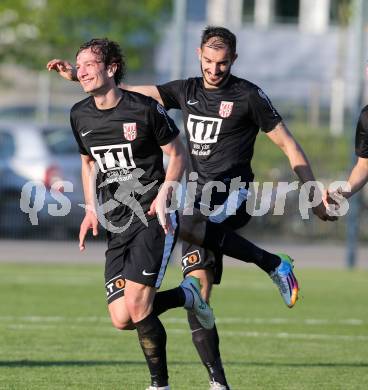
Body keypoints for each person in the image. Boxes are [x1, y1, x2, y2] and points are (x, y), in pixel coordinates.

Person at [47, 27, 336, 390]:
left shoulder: (248, 96)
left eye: (223, 63)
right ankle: (218, 381)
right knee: (196, 288)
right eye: (209, 62)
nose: (215, 70)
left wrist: (313, 193)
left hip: (231, 192)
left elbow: (290, 146)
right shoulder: (185, 90)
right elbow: (124, 92)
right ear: (199, 55)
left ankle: (275, 264)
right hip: (194, 194)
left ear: (234, 60)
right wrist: (80, 75)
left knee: (184, 220)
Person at [61, 38, 216, 390]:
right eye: (79, 64)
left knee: (137, 303)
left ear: (111, 69)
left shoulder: (144, 109)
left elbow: (178, 154)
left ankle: (159, 384)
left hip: (152, 217)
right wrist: (89, 209)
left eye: (89, 64)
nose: (81, 71)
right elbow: (88, 164)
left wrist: (165, 192)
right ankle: (186, 294)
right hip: (117, 221)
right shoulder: (79, 114)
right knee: (121, 318)